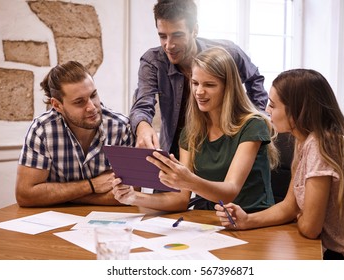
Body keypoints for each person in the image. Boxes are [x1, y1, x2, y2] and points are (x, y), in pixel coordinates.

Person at [215, 69, 344, 259]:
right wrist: (247, 220)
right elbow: (290, 207)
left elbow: (310, 228)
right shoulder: (303, 141)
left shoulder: (320, 145)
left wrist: (302, 216)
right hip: (335, 250)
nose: (267, 110)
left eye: (273, 105)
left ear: (297, 111)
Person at [113, 47, 278, 212]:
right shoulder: (191, 132)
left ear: (228, 88)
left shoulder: (253, 125)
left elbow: (230, 191)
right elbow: (180, 199)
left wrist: (188, 179)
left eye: (209, 85)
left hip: (253, 220)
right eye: (195, 83)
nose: (199, 92)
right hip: (209, 220)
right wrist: (133, 197)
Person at [130, 0, 268, 158]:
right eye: (162, 36)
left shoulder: (227, 52)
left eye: (177, 35)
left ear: (194, 30)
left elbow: (255, 79)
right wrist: (143, 126)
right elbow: (142, 105)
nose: (168, 45)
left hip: (224, 150)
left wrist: (256, 122)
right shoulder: (152, 62)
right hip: (177, 152)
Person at [15, 61, 134, 207]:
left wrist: (65, 196)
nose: (91, 107)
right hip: (55, 220)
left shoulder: (121, 127)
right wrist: (91, 186)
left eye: (93, 95)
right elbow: (25, 195)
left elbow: (131, 193)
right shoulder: (42, 130)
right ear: (57, 105)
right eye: (79, 102)